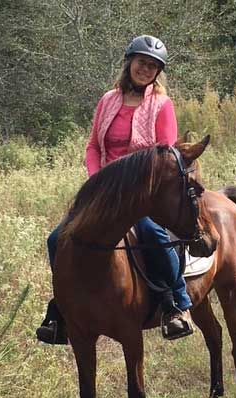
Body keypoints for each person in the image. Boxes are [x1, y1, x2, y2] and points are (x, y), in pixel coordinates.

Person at [36, 35, 195, 344]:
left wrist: (137, 190)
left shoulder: (161, 105)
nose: (146, 70)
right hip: (103, 194)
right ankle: (61, 310)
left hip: (141, 196)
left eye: (152, 67)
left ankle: (176, 304)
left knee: (153, 235)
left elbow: (165, 156)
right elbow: (94, 147)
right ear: (129, 62)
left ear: (157, 73)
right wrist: (98, 182)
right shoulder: (108, 100)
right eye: (141, 63)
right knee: (58, 238)